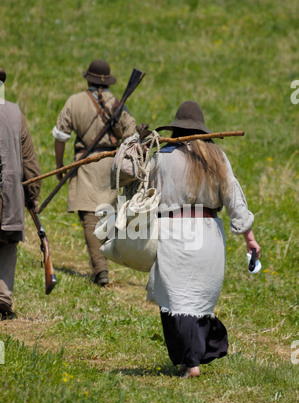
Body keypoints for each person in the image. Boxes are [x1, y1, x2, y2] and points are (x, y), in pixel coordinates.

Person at [146, 101, 261, 378]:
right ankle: (193, 357)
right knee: (195, 300)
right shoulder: (218, 158)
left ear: (176, 130)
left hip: (175, 233)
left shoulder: (162, 157)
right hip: (209, 234)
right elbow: (235, 199)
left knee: (176, 301)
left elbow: (140, 190)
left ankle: (191, 362)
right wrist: (249, 237)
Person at [52, 60, 136, 286]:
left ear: (87, 78)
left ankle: (101, 270)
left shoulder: (74, 102)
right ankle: (103, 266)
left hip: (85, 164)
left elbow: (60, 137)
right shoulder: (118, 104)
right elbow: (131, 136)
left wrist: (60, 165)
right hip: (110, 165)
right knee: (106, 215)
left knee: (90, 220)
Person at [0, 68, 41, 320]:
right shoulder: (15, 113)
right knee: (6, 245)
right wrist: (31, 194)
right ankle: (2, 297)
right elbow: (30, 163)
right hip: (10, 198)